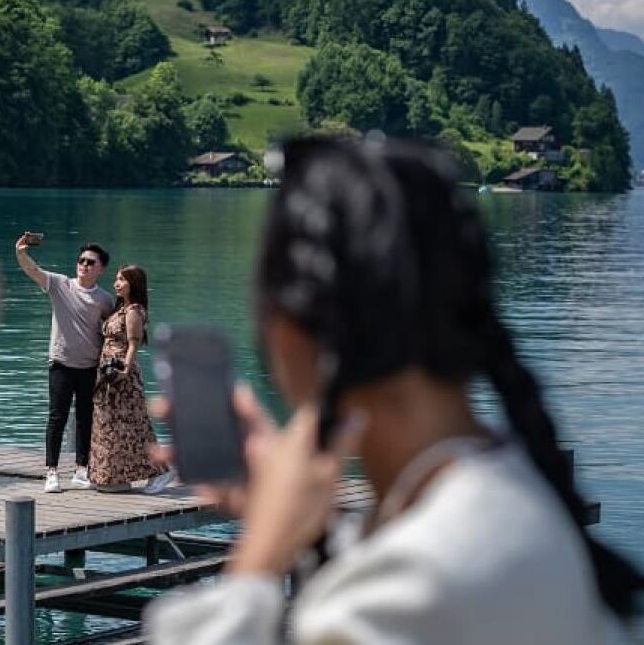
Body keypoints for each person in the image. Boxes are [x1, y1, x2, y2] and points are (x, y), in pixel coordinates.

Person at [145, 137, 641, 644]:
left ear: (290, 326)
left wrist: (257, 561)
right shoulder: (518, 501)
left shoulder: (407, 593)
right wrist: (313, 529)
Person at [15, 235, 114, 493]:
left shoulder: (104, 300)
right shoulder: (60, 285)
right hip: (61, 363)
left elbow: (111, 331)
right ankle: (52, 472)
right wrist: (21, 253)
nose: (83, 265)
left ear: (100, 268)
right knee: (56, 418)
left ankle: (82, 470)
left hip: (90, 366)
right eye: (81, 261)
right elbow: (33, 271)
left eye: (90, 262)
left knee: (85, 419)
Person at [88, 265, 173, 494]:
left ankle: (162, 471)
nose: (116, 283)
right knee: (112, 425)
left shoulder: (133, 310)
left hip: (121, 375)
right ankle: (117, 476)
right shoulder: (120, 308)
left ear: (133, 283)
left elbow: (133, 343)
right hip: (107, 373)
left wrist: (125, 370)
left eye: (122, 280)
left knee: (133, 425)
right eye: (116, 279)